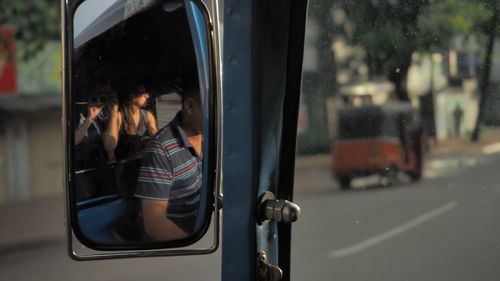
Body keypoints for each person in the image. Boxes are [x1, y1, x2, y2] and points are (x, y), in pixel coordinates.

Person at [134, 87, 203, 240]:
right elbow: (155, 223)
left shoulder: (209, 136)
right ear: (190, 106)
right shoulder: (161, 149)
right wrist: (195, 247)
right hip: (184, 239)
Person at [103, 85, 158, 162]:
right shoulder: (119, 116)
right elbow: (109, 147)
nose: (147, 96)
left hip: (140, 161)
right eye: (143, 93)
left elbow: (156, 138)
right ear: (132, 96)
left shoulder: (147, 116)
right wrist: (113, 115)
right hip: (122, 162)